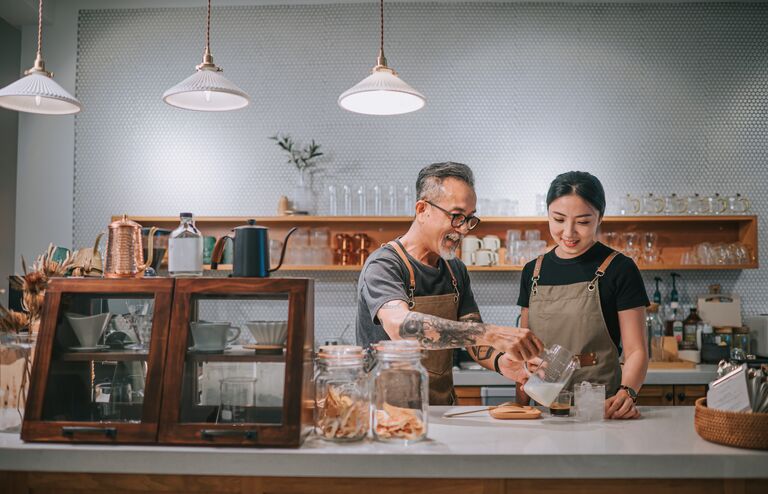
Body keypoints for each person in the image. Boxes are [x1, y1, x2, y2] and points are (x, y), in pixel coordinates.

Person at [355, 162, 544, 405]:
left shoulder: (455, 270)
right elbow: (400, 327)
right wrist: (492, 332)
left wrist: (502, 363)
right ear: (422, 209)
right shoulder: (384, 265)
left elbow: (472, 336)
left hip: (440, 410)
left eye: (469, 219)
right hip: (384, 414)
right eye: (456, 217)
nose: (464, 229)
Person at [516, 171, 649, 419]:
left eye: (583, 222)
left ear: (600, 217)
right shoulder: (532, 271)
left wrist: (628, 391)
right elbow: (524, 348)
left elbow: (635, 350)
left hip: (600, 404)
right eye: (558, 219)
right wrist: (522, 376)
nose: (569, 232)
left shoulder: (620, 268)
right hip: (541, 405)